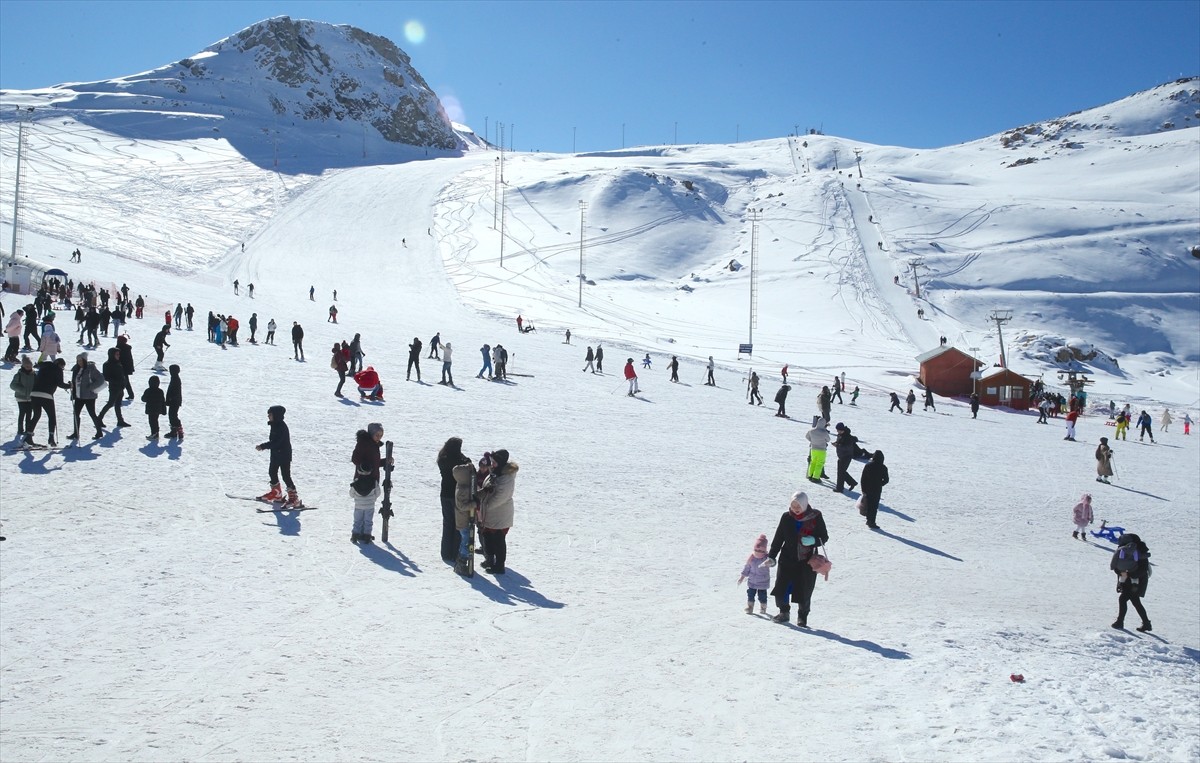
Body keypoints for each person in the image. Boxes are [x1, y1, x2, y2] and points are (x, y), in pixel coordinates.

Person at [763, 491, 828, 626]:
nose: (795, 509)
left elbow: (824, 536)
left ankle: (802, 617)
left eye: (798, 506)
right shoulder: (786, 517)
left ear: (804, 504)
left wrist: (813, 540)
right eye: (793, 506)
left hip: (806, 560)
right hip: (787, 558)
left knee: (804, 589)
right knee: (783, 587)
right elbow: (779, 538)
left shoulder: (815, 516)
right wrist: (772, 556)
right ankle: (784, 612)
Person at [477, 449, 518, 574]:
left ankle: (499, 565)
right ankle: (490, 559)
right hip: (490, 514)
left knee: (498, 540)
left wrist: (485, 504)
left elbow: (501, 497)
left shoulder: (506, 478)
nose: (492, 464)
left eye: (494, 462)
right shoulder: (496, 472)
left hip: (500, 514)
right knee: (487, 537)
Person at [256, 405, 301, 507]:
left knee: (286, 476)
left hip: (284, 455)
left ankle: (294, 499)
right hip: (276, 454)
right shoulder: (274, 425)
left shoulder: (281, 427)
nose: (268, 416)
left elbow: (276, 442)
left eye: (270, 414)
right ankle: (276, 494)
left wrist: (263, 446)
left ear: (276, 415)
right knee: (272, 472)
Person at [350, 423, 387, 543]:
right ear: (371, 433)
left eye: (381, 435)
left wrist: (385, 461)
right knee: (363, 511)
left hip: (371, 480)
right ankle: (360, 533)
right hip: (364, 480)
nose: (379, 437)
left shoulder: (373, 445)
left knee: (363, 510)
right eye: (377, 435)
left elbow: (374, 462)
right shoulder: (364, 444)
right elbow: (355, 459)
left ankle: (362, 533)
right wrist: (365, 468)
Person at [437, 437, 471, 562]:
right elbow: (468, 464)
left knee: (447, 523)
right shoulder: (457, 460)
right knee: (458, 525)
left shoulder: (442, 458)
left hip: (444, 494)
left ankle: (445, 552)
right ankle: (455, 552)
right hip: (455, 495)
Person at [1110, 534, 1151, 632]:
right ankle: (1146, 623)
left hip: (1136, 582)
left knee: (1123, 599)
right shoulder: (1125, 551)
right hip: (1129, 581)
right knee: (1135, 601)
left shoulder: (1139, 552)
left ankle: (1120, 622)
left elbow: (1143, 570)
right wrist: (1122, 574)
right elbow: (1118, 568)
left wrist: (1128, 574)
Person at [26, 357, 68, 446]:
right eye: (62, 367)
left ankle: (28, 437)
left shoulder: (44, 366)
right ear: (60, 365)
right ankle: (51, 438)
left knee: (36, 415)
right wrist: (70, 386)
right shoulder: (58, 369)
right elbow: (60, 384)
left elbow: (39, 364)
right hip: (46, 395)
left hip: (34, 393)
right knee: (52, 417)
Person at [68, 352, 106, 440]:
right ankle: (75, 433)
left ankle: (99, 432)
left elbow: (100, 379)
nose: (79, 362)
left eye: (81, 360)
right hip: (78, 396)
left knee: (92, 413)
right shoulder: (76, 370)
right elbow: (74, 382)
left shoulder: (91, 369)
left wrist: (91, 387)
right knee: (76, 414)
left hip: (89, 396)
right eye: (78, 360)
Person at [96, 347, 131, 429]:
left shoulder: (119, 363)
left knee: (118, 404)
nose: (118, 356)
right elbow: (106, 377)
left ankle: (120, 420)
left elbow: (122, 374)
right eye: (117, 354)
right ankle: (99, 418)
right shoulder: (107, 364)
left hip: (120, 387)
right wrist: (117, 381)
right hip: (114, 387)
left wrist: (123, 382)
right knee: (110, 403)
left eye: (119, 354)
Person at [737, 534, 771, 614]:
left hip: (763, 582)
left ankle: (763, 607)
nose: (759, 553)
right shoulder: (751, 558)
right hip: (752, 582)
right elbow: (747, 568)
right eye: (757, 550)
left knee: (762, 596)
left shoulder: (766, 559)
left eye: (761, 551)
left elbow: (772, 563)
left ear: (765, 551)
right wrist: (742, 578)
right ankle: (750, 607)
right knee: (750, 595)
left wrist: (770, 561)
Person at [859, 450, 889, 529]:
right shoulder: (883, 467)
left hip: (868, 488)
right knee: (874, 506)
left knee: (868, 504)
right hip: (877, 489)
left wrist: (863, 489)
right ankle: (871, 521)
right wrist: (880, 484)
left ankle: (868, 519)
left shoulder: (868, 466)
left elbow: (863, 479)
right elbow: (886, 480)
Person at [10, 355, 36, 442]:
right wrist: (22, 390)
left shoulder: (34, 374)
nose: (29, 368)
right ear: (23, 366)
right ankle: (20, 429)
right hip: (21, 397)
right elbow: (13, 385)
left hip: (31, 397)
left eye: (30, 366)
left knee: (29, 414)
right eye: (27, 366)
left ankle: (28, 430)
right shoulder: (19, 374)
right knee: (22, 413)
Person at [832, 423, 859, 493]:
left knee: (841, 473)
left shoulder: (847, 437)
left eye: (839, 430)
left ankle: (839, 488)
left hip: (846, 456)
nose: (838, 432)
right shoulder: (841, 435)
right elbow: (840, 442)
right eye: (837, 430)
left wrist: (837, 445)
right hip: (842, 456)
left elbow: (846, 447)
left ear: (842, 429)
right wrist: (836, 443)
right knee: (842, 472)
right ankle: (852, 482)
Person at [805, 418, 830, 484]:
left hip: (813, 449)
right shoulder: (824, 432)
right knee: (819, 463)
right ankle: (815, 477)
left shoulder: (811, 431)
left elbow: (807, 436)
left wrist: (812, 441)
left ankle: (810, 475)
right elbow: (828, 439)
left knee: (813, 462)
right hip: (821, 450)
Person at [141, 375, 167, 440]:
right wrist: (164, 410)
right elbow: (163, 401)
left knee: (152, 421)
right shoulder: (160, 391)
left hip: (150, 409)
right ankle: (156, 433)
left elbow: (143, 399)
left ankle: (154, 433)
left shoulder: (148, 390)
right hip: (158, 409)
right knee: (155, 421)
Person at [166, 364, 183, 439]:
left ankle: (177, 430)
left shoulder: (175, 379)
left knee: (172, 415)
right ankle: (175, 430)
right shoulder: (174, 378)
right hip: (175, 400)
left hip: (174, 401)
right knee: (172, 415)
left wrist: (170, 398)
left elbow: (174, 391)